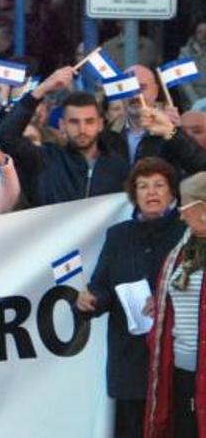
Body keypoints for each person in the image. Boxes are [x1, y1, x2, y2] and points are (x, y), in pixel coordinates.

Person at [72, 158, 183, 436]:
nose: (151, 192)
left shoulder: (186, 233)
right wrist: (90, 301)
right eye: (143, 186)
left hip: (175, 357)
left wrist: (165, 301)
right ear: (134, 195)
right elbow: (102, 287)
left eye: (159, 185)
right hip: (130, 360)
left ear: (172, 193)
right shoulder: (118, 236)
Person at [0, 66, 130, 206]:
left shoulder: (118, 168)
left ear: (100, 124)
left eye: (89, 121)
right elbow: (6, 135)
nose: (82, 129)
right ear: (62, 125)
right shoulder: (45, 159)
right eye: (74, 122)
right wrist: (42, 89)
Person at [143, 172, 206, 436]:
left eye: (185, 207)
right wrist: (159, 303)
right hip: (181, 370)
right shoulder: (183, 248)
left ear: (203, 208)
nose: (180, 215)